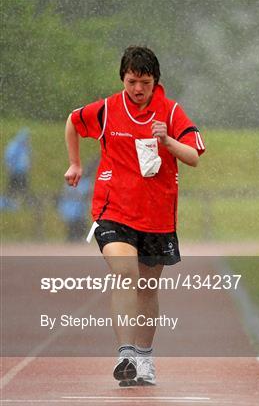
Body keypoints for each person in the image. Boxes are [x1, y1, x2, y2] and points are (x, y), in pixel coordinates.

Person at [64, 46, 205, 386]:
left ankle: (144, 359)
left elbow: (194, 156)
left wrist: (168, 141)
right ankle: (126, 353)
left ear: (156, 81)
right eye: (131, 82)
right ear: (122, 79)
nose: (138, 89)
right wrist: (75, 163)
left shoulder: (170, 112)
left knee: (146, 287)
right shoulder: (108, 110)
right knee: (126, 272)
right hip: (113, 210)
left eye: (144, 82)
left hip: (157, 215)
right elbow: (72, 120)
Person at [4, 127, 31, 204]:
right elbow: (10, 157)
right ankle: (9, 202)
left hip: (22, 172)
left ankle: (19, 202)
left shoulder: (25, 147)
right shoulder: (14, 146)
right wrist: (10, 167)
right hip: (15, 171)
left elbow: (27, 157)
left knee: (22, 187)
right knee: (13, 187)